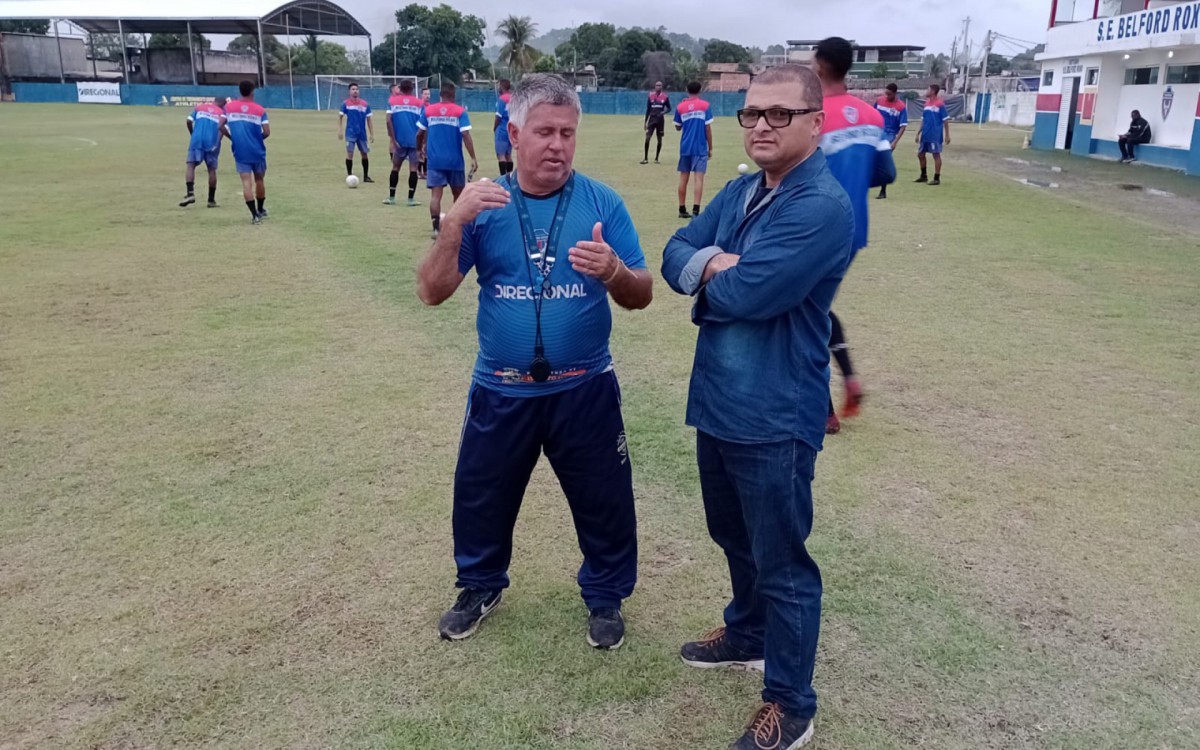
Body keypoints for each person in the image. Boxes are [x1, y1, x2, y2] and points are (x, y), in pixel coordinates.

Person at [416, 74, 653, 651]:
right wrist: (453, 225)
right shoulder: (486, 205)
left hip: (585, 388)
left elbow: (642, 292)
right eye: (544, 131)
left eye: (568, 133)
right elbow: (432, 291)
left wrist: (614, 272)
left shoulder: (601, 202)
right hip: (502, 389)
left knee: (605, 498)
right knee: (481, 495)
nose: (558, 145)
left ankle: (605, 595)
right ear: (513, 133)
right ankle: (478, 586)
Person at [661, 64, 853, 750]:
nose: (763, 126)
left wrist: (712, 275)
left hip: (775, 413)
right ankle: (746, 632)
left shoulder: (821, 206)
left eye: (779, 114)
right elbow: (674, 252)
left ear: (814, 121)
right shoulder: (744, 191)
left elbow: (750, 297)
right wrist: (716, 263)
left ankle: (791, 702)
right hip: (718, 400)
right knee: (731, 534)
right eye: (752, 114)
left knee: (783, 562)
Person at [813, 36, 897, 434]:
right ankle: (848, 379)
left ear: (818, 68)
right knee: (816, 306)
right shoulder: (872, 116)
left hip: (814, 229)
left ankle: (826, 410)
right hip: (854, 231)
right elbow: (886, 174)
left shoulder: (811, 117)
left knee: (803, 312)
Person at [416, 81, 478, 238]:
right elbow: (465, 135)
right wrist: (473, 157)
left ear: (440, 95)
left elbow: (419, 133)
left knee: (436, 196)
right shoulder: (460, 112)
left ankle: (436, 229)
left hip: (435, 161)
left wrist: (419, 149)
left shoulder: (429, 110)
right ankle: (456, 227)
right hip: (455, 161)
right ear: (454, 95)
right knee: (458, 195)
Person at [220, 81, 270, 224]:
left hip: (240, 150)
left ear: (240, 91)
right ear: (252, 92)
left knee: (246, 182)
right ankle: (260, 210)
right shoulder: (260, 110)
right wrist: (257, 139)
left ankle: (254, 215)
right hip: (257, 150)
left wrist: (232, 138)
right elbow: (267, 132)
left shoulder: (228, 107)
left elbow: (220, 125)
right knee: (259, 179)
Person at [674, 81, 714, 219]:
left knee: (683, 178)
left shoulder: (680, 106)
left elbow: (677, 127)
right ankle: (696, 211)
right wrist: (711, 147)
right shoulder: (705, 106)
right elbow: (707, 128)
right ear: (700, 90)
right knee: (698, 179)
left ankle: (682, 209)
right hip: (700, 148)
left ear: (687, 90)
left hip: (685, 147)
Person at [180, 96, 226, 208]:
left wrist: (193, 134)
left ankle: (190, 194)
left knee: (191, 165)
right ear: (223, 105)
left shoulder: (200, 107)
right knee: (211, 170)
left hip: (197, 139)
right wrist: (217, 143)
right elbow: (222, 129)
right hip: (212, 141)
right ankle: (211, 200)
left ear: (214, 101)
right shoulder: (222, 113)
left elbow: (189, 121)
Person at [384, 80, 423, 206]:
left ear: (400, 89)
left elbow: (388, 121)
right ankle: (410, 199)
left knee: (395, 168)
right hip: (414, 141)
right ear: (412, 89)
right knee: (413, 169)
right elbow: (424, 126)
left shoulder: (392, 101)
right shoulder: (419, 103)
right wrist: (422, 144)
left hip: (399, 141)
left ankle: (391, 197)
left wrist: (393, 138)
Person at [874, 83, 908, 199]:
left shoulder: (901, 107)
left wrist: (895, 142)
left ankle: (883, 191)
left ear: (894, 93)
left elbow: (903, 126)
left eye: (889, 94)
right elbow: (872, 115)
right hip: (877, 133)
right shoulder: (879, 101)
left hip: (890, 136)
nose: (886, 96)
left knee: (883, 162)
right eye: (886, 93)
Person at [338, 83, 374, 183]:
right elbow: (340, 117)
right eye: (353, 89)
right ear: (349, 91)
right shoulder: (345, 104)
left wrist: (371, 133)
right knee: (350, 153)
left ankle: (366, 176)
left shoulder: (365, 104)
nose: (355, 91)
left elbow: (369, 119)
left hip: (362, 133)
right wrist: (340, 130)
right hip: (350, 133)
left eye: (357, 89)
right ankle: (349, 175)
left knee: (364, 154)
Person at [915, 84, 949, 185]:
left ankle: (936, 178)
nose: (926, 91)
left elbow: (945, 120)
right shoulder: (926, 104)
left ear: (933, 91)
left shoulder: (940, 104)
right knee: (920, 154)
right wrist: (918, 133)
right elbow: (923, 120)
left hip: (935, 134)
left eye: (928, 89)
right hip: (925, 134)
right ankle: (923, 176)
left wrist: (947, 135)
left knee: (936, 155)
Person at [642, 81, 671, 164]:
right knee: (647, 138)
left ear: (662, 87)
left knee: (659, 139)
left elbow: (669, 108)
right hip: (651, 120)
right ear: (655, 87)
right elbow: (648, 109)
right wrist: (645, 122)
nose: (658, 87)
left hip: (660, 121)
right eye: (657, 85)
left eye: (660, 85)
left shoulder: (665, 97)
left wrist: (663, 112)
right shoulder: (651, 96)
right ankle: (645, 158)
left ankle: (656, 158)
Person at [494, 78, 514, 175]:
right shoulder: (514, 98)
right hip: (511, 130)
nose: (498, 88)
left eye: (499, 86)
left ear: (502, 87)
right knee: (508, 155)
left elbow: (498, 116)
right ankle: (509, 176)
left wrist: (494, 128)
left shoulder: (502, 99)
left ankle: (503, 177)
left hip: (502, 129)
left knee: (501, 155)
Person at [417, 88, 431, 180]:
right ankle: (419, 171)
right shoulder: (420, 106)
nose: (427, 96)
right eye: (425, 94)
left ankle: (425, 171)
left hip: (428, 132)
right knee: (421, 150)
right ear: (421, 95)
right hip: (421, 131)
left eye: (428, 94)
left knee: (426, 152)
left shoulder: (429, 106)